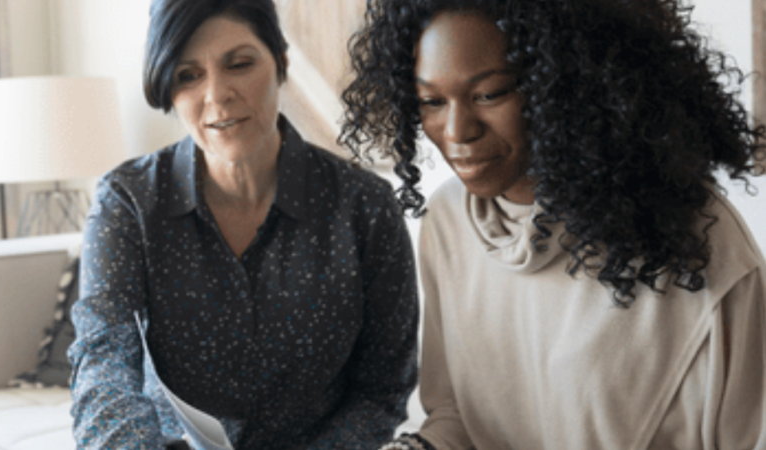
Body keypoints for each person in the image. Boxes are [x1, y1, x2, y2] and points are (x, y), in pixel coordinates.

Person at [339, 0, 766, 449]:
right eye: (431, 101)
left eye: (490, 94)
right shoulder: (448, 221)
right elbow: (459, 416)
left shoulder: (698, 247)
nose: (457, 131)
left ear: (569, 83)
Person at [67, 0, 419, 449]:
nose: (217, 95)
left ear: (280, 64)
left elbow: (382, 389)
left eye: (239, 64)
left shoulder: (366, 207)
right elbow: (103, 363)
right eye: (188, 75)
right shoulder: (128, 203)